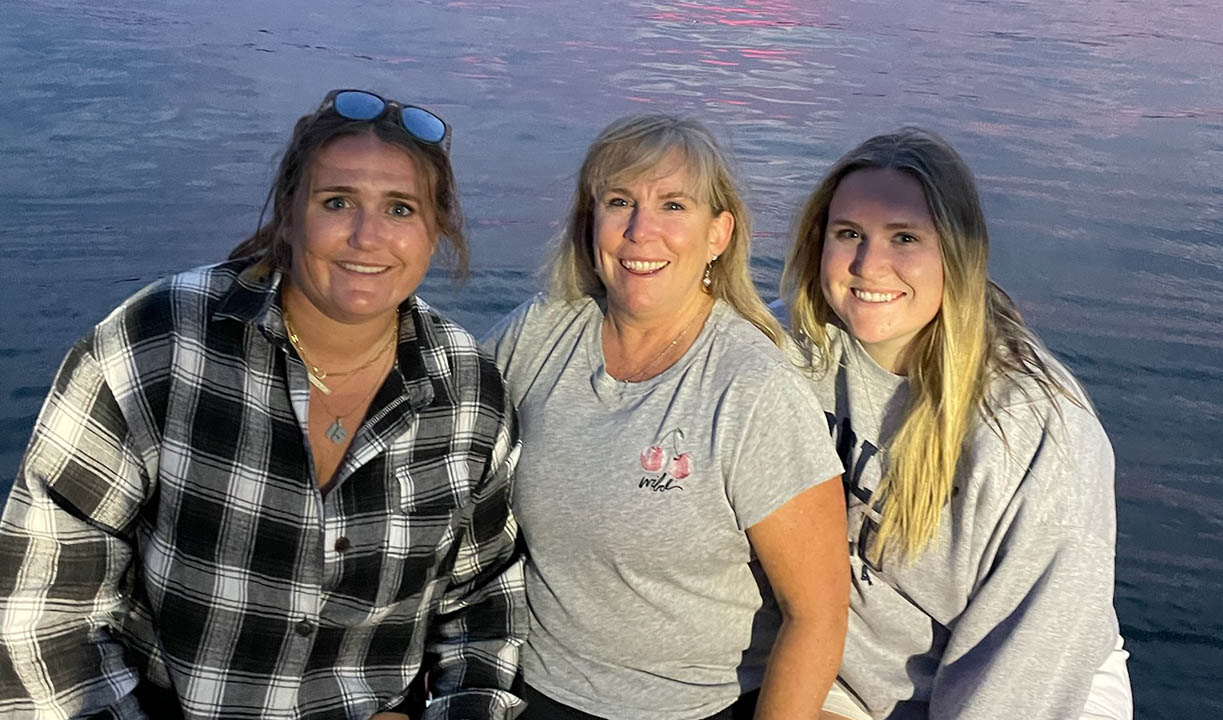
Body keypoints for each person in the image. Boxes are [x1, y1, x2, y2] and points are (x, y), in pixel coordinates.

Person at [0, 89, 524, 719]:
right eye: (337, 202)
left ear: (435, 231)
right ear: (290, 212)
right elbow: (43, 609)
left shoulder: (468, 390)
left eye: (400, 209)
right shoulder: (160, 343)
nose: (367, 236)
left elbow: (485, 603)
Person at [481, 114, 849, 720]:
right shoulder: (543, 330)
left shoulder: (752, 389)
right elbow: (442, 421)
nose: (640, 231)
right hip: (520, 686)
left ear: (718, 234)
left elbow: (819, 615)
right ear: (589, 222)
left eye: (673, 206)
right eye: (619, 201)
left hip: (690, 708)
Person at [779, 127, 1133, 720]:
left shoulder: (1033, 433)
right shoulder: (796, 352)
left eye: (905, 238)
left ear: (957, 254)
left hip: (1031, 680)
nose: (870, 265)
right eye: (849, 235)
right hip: (845, 675)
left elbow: (1028, 664)